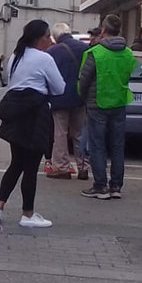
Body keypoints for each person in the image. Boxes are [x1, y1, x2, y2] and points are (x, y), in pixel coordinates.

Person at [0, 19, 65, 228]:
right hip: (35, 116)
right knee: (31, 168)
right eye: (47, 36)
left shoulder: (15, 56)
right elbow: (59, 88)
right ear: (40, 38)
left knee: (16, 163)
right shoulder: (45, 58)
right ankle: (27, 214)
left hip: (15, 115)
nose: (50, 40)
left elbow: (13, 83)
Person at [76, 14, 135, 200]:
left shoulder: (95, 52)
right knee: (117, 146)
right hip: (119, 103)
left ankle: (100, 186)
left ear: (103, 30)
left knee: (97, 146)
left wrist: (83, 97)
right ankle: (116, 186)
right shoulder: (128, 53)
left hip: (97, 104)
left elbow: (83, 81)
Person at [45, 22, 89, 180]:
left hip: (60, 98)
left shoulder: (53, 51)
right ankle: (83, 166)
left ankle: (62, 167)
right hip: (80, 97)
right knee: (79, 133)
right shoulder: (85, 49)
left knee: (60, 134)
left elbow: (48, 76)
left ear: (56, 37)